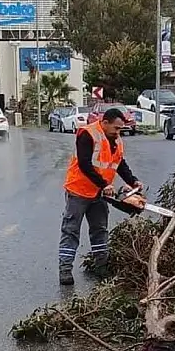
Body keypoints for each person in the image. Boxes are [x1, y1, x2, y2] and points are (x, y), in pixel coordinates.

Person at [59, 108, 143, 285]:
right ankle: (65, 270)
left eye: (121, 129)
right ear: (105, 123)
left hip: (99, 193)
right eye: (116, 128)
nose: (119, 132)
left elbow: (119, 164)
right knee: (71, 230)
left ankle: (101, 267)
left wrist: (133, 181)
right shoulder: (88, 134)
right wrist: (104, 184)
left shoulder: (116, 140)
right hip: (79, 190)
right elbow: (84, 164)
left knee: (100, 230)